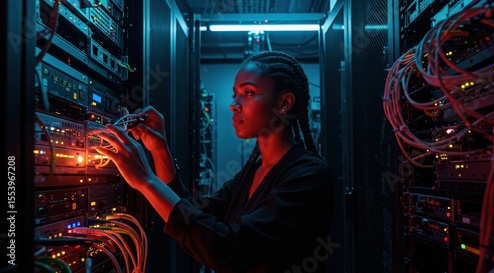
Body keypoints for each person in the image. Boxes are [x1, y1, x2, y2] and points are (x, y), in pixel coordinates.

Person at [95, 51, 335, 272]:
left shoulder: (309, 174)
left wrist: (146, 180)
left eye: (248, 93)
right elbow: (191, 216)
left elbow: (229, 250)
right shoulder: (253, 172)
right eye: (235, 95)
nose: (234, 105)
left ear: (284, 103)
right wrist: (160, 150)